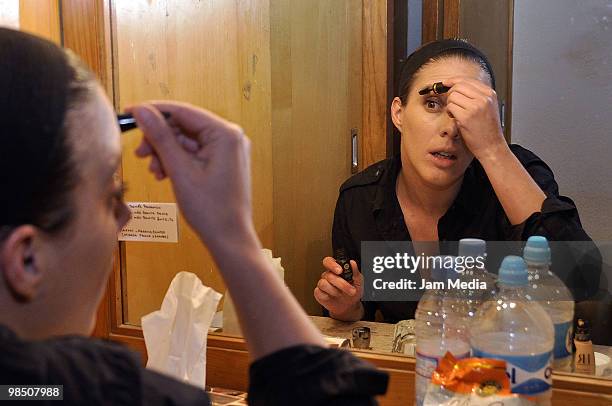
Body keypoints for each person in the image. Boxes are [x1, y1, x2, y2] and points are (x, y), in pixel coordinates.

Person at [0, 28, 388, 405]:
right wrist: (232, 235)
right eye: (112, 196)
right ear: (27, 258)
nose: (124, 218)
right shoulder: (90, 390)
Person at [314, 39, 598, 324]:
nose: (451, 128)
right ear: (398, 113)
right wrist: (347, 306)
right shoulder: (360, 199)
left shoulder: (517, 173)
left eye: (469, 111)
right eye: (432, 104)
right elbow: (358, 311)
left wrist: (493, 148)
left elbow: (581, 281)